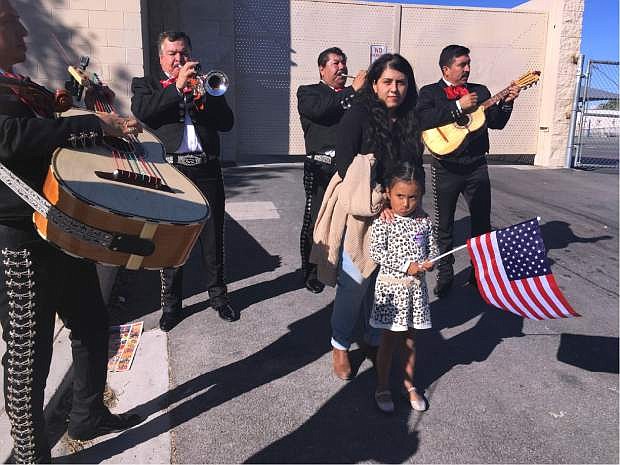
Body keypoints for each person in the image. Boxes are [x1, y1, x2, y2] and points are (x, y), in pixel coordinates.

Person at [0, 0, 143, 461]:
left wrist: (70, 104)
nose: (24, 31)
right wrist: (89, 123)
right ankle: (29, 454)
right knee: (28, 352)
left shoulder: (16, 82)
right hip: (18, 236)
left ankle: (87, 416)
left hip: (59, 224)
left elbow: (43, 124)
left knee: (90, 323)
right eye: (12, 23)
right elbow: (11, 139)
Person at [312, 53, 424, 380]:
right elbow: (346, 167)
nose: (394, 89)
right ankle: (340, 344)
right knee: (355, 284)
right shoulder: (357, 115)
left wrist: (407, 204)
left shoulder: (410, 120)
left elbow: (413, 167)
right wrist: (380, 199)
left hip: (399, 214)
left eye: (401, 82)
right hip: (362, 213)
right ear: (374, 84)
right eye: (387, 82)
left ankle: (373, 338)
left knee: (383, 284)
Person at [131, 31, 237, 331]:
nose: (179, 59)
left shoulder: (204, 82)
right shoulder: (146, 85)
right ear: (161, 57)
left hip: (206, 169)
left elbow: (227, 124)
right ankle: (172, 306)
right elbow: (143, 113)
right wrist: (177, 88)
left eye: (184, 53)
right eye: (173, 53)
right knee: (171, 239)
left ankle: (219, 297)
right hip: (172, 172)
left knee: (213, 237)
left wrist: (208, 97)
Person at [416, 44, 520, 298]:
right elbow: (423, 121)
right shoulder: (430, 93)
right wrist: (458, 107)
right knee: (445, 225)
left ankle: (479, 273)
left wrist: (506, 103)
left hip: (476, 166)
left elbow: (496, 124)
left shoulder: (480, 91)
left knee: (482, 222)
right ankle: (445, 272)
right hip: (445, 167)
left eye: (468, 64)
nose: (467, 69)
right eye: (462, 65)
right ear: (446, 68)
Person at [368, 162, 437, 413]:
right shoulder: (384, 221)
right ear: (388, 192)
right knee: (388, 340)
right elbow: (376, 252)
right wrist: (406, 266)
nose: (405, 203)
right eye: (399, 196)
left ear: (420, 196)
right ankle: (382, 386)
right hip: (392, 291)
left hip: (416, 292)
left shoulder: (424, 221)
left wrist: (431, 261)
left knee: (410, 341)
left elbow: (433, 249)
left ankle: (409, 385)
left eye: (412, 197)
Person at [297, 47, 365, 293]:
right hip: (320, 168)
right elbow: (321, 111)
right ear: (321, 68)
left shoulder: (356, 96)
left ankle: (341, 266)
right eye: (336, 63)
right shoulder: (308, 92)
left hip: (351, 168)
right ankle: (311, 271)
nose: (342, 68)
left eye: (344, 63)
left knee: (350, 220)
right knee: (316, 221)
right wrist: (353, 90)